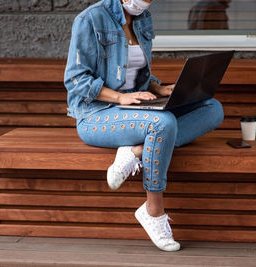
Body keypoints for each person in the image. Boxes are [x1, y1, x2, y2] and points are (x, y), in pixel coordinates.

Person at [64, 0, 224, 252]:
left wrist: (157, 87)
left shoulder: (141, 18)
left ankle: (136, 151)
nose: (146, 1)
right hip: (97, 114)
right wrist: (120, 97)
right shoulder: (89, 19)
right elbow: (76, 80)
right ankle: (153, 210)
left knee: (212, 108)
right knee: (163, 123)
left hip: (136, 109)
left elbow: (136, 71)